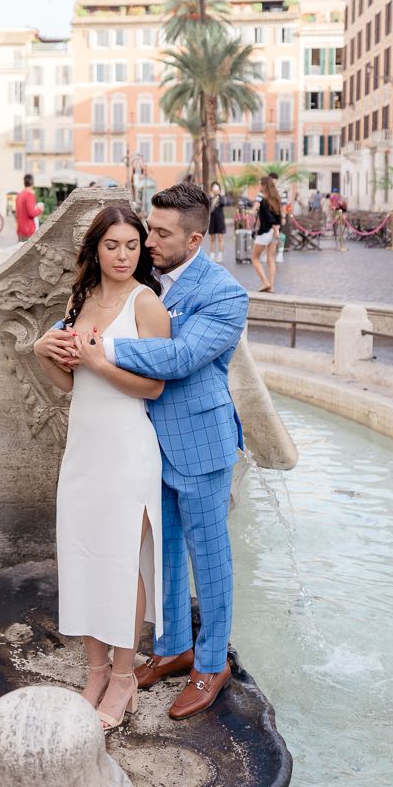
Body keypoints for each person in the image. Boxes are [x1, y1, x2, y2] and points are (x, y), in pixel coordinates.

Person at [44, 183, 248, 722]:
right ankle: (174, 645)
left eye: (159, 234)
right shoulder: (148, 276)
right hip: (140, 441)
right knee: (162, 557)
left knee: (209, 557)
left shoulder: (225, 294)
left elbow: (177, 357)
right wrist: (57, 339)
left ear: (195, 238)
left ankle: (210, 663)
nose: (147, 242)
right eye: (146, 231)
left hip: (198, 442)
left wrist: (88, 345)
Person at [33, 205, 170, 732]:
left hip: (127, 449)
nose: (122, 255)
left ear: (141, 250)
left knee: (119, 561)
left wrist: (99, 363)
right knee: (84, 556)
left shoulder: (147, 304)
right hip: (83, 450)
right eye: (112, 245)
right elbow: (71, 386)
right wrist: (45, 353)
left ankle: (123, 677)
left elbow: (154, 387)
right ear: (95, 249)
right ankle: (93, 670)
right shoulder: (78, 301)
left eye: (131, 246)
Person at [251, 176, 282, 293]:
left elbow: (269, 218)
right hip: (275, 233)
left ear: (264, 186)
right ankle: (271, 286)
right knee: (271, 259)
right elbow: (279, 218)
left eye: (260, 184)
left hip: (266, 232)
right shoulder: (276, 199)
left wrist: (275, 228)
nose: (259, 186)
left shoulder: (264, 201)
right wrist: (277, 229)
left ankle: (265, 282)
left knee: (254, 258)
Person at [15, 174, 43, 242]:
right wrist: (40, 209)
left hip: (20, 230)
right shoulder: (29, 195)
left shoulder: (19, 195)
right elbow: (31, 213)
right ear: (32, 183)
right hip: (28, 231)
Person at [207, 181, 226, 262]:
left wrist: (218, 195)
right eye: (214, 188)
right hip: (212, 220)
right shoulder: (210, 197)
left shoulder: (221, 197)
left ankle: (220, 255)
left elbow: (223, 203)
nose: (215, 190)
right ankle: (212, 254)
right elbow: (207, 204)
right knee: (212, 238)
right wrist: (211, 196)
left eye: (216, 188)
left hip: (220, 220)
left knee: (220, 237)